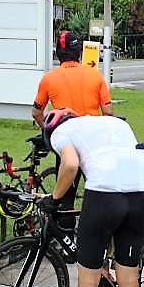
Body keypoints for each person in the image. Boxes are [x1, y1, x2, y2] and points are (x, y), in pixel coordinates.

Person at [38, 109, 144, 287]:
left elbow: (69, 165)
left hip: (104, 196)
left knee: (88, 281)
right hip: (138, 194)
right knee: (128, 278)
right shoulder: (115, 123)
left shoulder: (60, 132)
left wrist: (54, 198)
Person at [32, 30, 114, 224]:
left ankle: (65, 238)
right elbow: (108, 113)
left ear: (57, 53)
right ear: (79, 52)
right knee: (100, 192)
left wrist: (49, 130)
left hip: (67, 143)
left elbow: (36, 113)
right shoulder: (95, 76)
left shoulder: (49, 79)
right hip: (94, 144)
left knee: (65, 198)